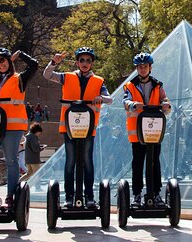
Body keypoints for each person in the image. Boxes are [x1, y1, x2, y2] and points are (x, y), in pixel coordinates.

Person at [44, 47, 113, 208]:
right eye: (82, 60)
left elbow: (109, 99)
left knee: (87, 161)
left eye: (88, 60)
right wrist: (54, 62)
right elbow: (47, 75)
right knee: (71, 161)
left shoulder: (98, 81)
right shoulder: (67, 77)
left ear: (92, 63)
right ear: (77, 62)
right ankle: (69, 197)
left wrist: (100, 97)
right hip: (69, 127)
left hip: (88, 128)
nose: (85, 63)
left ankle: (89, 196)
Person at [0, 47, 38, 208]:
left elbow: (34, 65)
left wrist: (21, 55)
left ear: (8, 60)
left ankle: (11, 195)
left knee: (11, 160)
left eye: (2, 60)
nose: (0, 64)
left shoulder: (19, 79)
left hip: (13, 126)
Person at [123, 52, 172, 207]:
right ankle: (137, 195)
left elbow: (165, 99)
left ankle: (156, 194)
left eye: (145, 66)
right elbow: (126, 100)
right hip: (137, 132)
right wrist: (132, 104)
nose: (143, 69)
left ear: (150, 67)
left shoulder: (158, 85)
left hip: (153, 131)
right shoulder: (130, 85)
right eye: (140, 67)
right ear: (137, 69)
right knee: (137, 163)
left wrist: (166, 104)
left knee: (154, 163)